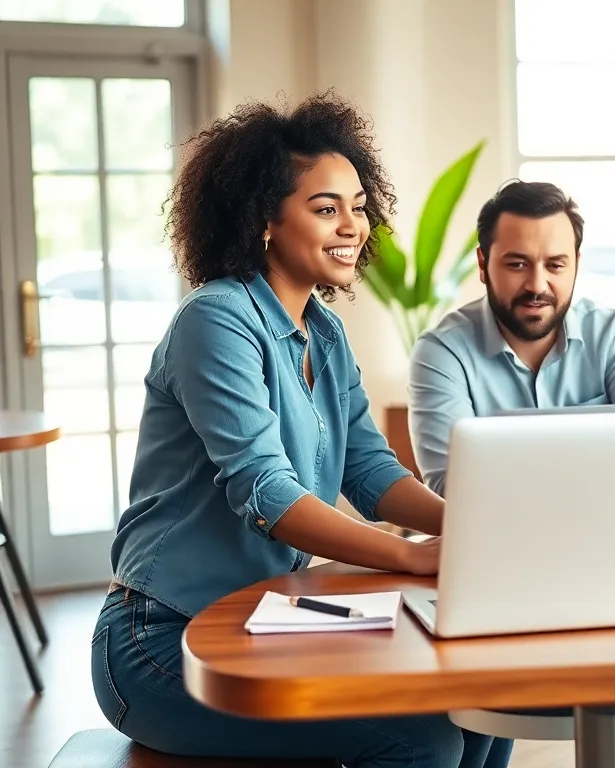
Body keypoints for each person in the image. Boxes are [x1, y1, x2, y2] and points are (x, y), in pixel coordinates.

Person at [90, 92, 511, 768]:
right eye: (325, 208)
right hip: (160, 642)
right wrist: (408, 554)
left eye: (358, 207)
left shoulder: (325, 333)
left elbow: (369, 471)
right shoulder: (216, 320)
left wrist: (473, 527)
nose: (353, 226)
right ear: (263, 219)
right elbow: (268, 493)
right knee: (421, 740)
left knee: (482, 698)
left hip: (269, 621)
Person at [408, 179, 615, 494]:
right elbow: (452, 487)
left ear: (576, 265)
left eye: (555, 265)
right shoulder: (443, 352)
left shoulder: (610, 336)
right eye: (517, 264)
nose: (537, 285)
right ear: (483, 264)